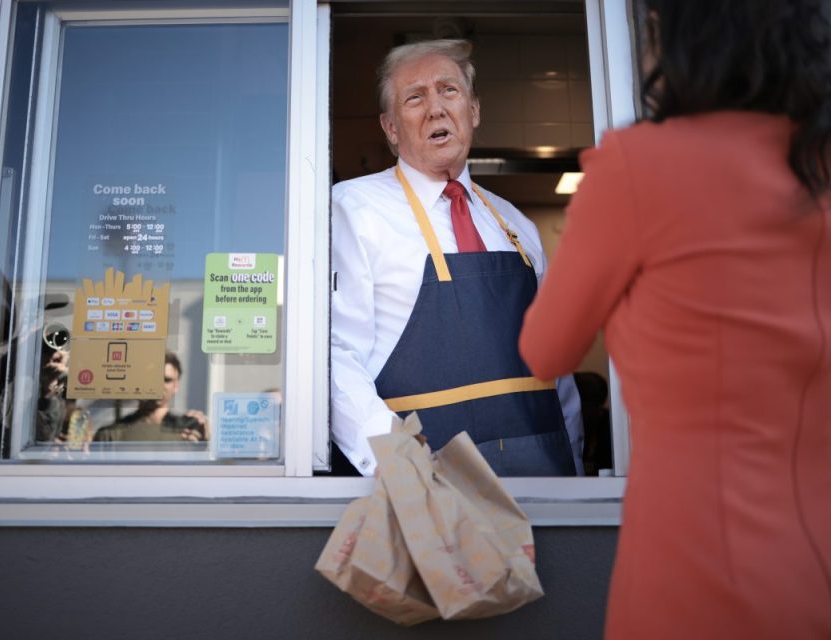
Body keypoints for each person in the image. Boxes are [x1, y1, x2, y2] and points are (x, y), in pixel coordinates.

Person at [519, 1, 831, 637]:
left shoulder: (639, 167)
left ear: (681, 41)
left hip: (700, 572)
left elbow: (545, 349)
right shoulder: (817, 164)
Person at [331, 38, 584, 477]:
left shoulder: (516, 225)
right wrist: (403, 468)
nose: (435, 109)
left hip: (542, 492)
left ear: (475, 111)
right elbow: (335, 358)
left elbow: (557, 372)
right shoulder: (353, 209)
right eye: (415, 98)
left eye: (448, 91)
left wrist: (576, 474)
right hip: (425, 493)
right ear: (390, 129)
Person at [92, 351, 209, 443]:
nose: (159, 385)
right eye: (152, 378)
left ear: (176, 386)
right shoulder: (109, 435)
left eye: (166, 380)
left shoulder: (188, 432)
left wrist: (204, 446)